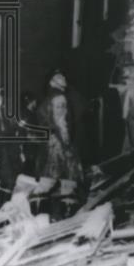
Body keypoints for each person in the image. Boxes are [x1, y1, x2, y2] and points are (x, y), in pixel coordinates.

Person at [37, 71, 85, 210]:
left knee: (53, 179)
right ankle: (63, 213)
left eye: (63, 75)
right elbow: (61, 122)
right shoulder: (59, 97)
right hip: (58, 142)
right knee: (64, 179)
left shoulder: (50, 97)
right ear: (53, 81)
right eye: (60, 76)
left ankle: (41, 211)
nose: (64, 77)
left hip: (53, 141)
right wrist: (64, 143)